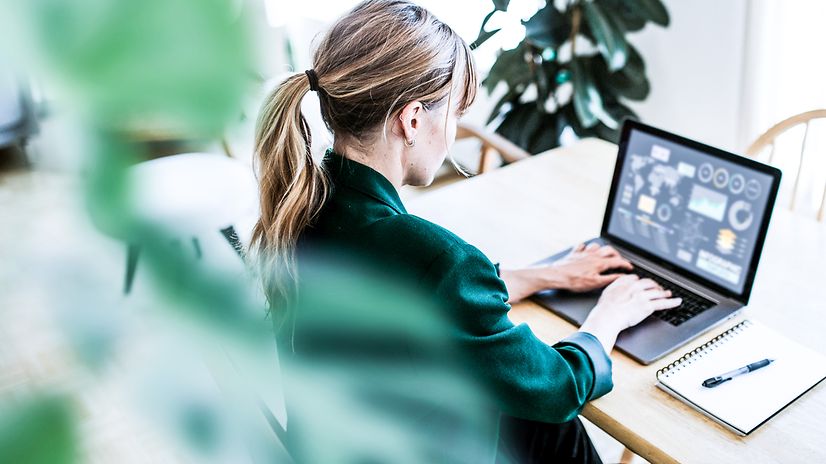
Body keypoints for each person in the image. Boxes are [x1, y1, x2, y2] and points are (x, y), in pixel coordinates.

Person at [250, 1, 682, 462]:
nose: (453, 132)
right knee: (553, 419)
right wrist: (608, 317)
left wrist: (544, 276)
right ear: (412, 119)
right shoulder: (436, 259)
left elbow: (419, 290)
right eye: (454, 113)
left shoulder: (305, 205)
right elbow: (556, 387)